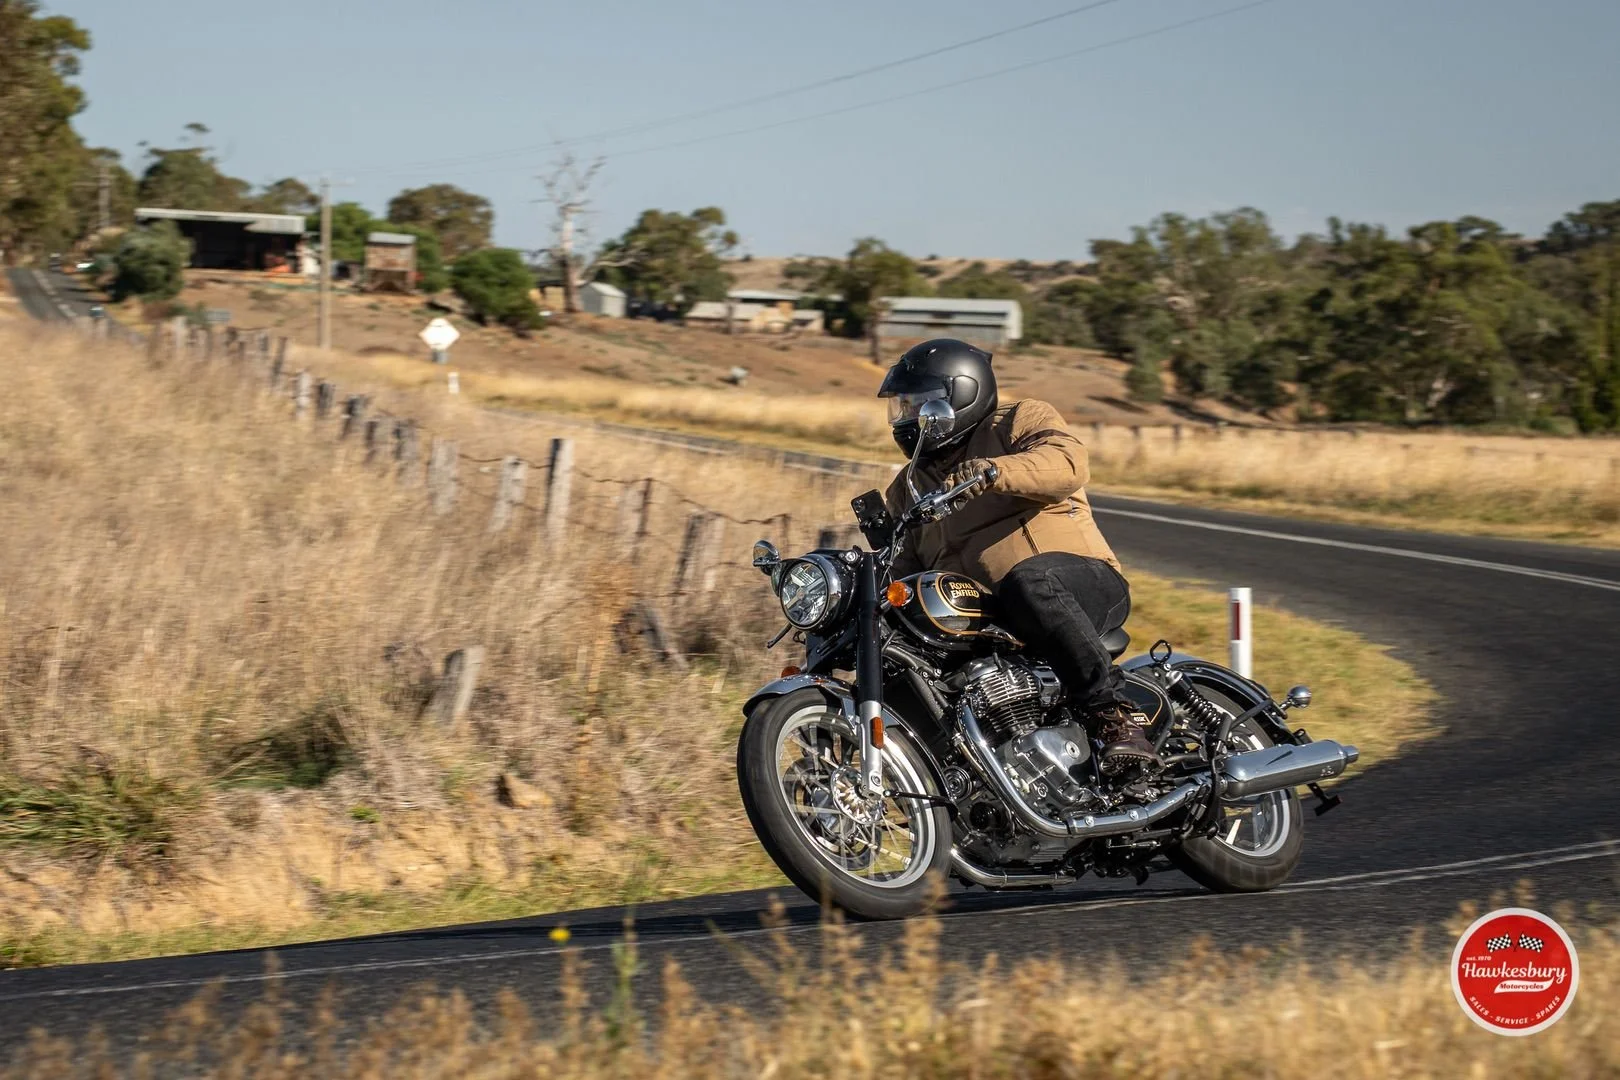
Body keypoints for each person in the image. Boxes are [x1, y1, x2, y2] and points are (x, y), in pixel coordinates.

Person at [878, 338, 1156, 774]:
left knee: (1029, 582)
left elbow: (1067, 462)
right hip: (993, 621)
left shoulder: (1018, 421)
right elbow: (903, 567)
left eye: (922, 405)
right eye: (904, 406)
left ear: (963, 395)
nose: (910, 417)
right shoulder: (908, 487)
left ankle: (1113, 715)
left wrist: (995, 471)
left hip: (1079, 584)